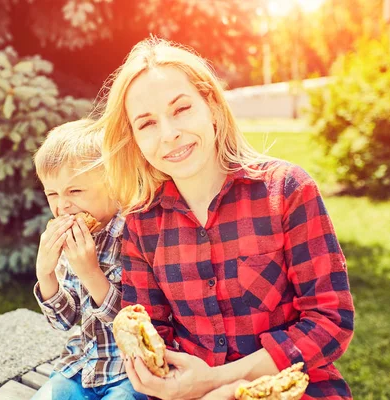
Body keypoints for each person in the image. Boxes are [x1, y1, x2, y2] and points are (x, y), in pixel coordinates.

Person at [97, 38, 355, 400]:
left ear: (213, 107)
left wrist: (221, 383)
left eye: (182, 109)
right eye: (147, 123)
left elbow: (330, 321)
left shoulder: (287, 190)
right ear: (135, 139)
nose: (169, 133)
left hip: (292, 387)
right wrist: (167, 380)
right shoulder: (142, 224)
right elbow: (148, 331)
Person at [31, 119, 147, 400]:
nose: (62, 205)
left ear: (113, 183)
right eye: (52, 193)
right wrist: (46, 275)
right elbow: (64, 321)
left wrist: (91, 274)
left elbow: (138, 325)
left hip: (130, 373)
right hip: (79, 368)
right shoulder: (73, 238)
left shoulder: (135, 235)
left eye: (75, 191)